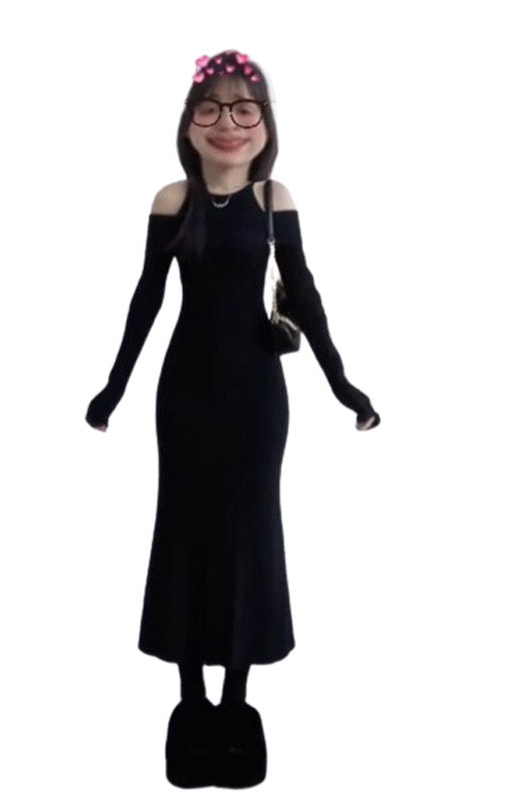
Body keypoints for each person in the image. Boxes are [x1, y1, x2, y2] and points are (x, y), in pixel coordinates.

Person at [85, 49, 380, 788]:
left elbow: (304, 293)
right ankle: (190, 702)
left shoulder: (274, 198)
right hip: (184, 392)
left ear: (265, 124)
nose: (228, 122)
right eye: (210, 108)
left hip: (256, 396)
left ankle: (237, 703)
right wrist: (114, 387)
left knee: (250, 532)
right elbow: (147, 298)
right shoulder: (171, 200)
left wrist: (343, 384)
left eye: (244, 108)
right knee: (184, 530)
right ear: (189, 123)